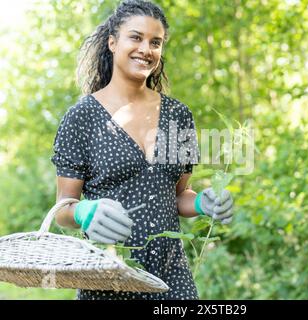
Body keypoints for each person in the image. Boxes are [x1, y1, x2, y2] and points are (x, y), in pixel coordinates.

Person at [51, 0, 234, 300]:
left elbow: (178, 196)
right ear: (113, 42)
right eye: (135, 37)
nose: (146, 49)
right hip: (107, 276)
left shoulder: (178, 115)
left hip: (171, 278)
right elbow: (63, 209)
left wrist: (203, 202)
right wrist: (84, 212)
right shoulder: (81, 117)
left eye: (156, 42)